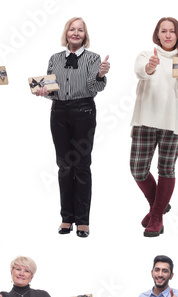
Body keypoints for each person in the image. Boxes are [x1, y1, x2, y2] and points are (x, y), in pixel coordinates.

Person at [34, 17, 109, 238]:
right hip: (59, 113)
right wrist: (44, 92)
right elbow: (52, 89)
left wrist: (100, 75)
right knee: (64, 166)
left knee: (82, 166)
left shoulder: (94, 58)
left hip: (84, 111)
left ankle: (83, 221)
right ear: (66, 33)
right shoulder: (55, 59)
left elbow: (94, 88)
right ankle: (67, 217)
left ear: (85, 35)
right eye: (72, 29)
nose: (75, 33)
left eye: (80, 30)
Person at [131, 17, 178, 238]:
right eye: (164, 31)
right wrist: (150, 67)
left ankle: (157, 216)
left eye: (172, 31)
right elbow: (141, 72)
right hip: (145, 119)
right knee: (138, 169)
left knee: (166, 169)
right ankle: (158, 206)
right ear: (157, 34)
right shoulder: (146, 55)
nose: (168, 35)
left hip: (174, 120)